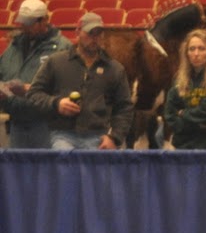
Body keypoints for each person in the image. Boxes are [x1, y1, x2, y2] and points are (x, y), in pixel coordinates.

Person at [28, 12, 133, 150]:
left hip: (99, 137)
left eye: (99, 34)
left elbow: (125, 107)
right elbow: (33, 94)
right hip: (62, 135)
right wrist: (56, 103)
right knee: (64, 159)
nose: (95, 38)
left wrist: (115, 137)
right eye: (90, 33)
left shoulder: (115, 69)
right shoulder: (56, 62)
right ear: (77, 32)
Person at [1, 0, 71, 148]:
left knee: (47, 169)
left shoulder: (62, 48)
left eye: (30, 23)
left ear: (44, 20)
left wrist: (30, 90)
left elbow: (69, 86)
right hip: (17, 124)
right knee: (19, 170)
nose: (25, 27)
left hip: (47, 125)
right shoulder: (13, 46)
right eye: (23, 22)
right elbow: (3, 72)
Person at [163, 28, 206, 149]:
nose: (196, 54)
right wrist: (199, 125)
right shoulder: (179, 79)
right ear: (186, 53)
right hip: (183, 146)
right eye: (192, 49)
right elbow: (169, 113)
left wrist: (183, 113)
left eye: (201, 49)